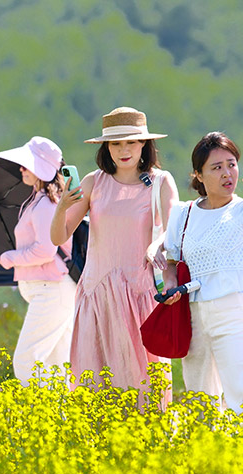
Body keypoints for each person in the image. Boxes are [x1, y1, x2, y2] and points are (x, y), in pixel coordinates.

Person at [50, 107, 179, 403]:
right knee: (94, 386)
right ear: (106, 147)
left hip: (141, 293)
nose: (124, 150)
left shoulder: (161, 182)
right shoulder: (94, 182)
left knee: (145, 387)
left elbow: (173, 233)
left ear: (144, 144)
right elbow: (58, 237)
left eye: (131, 142)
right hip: (97, 294)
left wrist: (155, 245)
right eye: (116, 143)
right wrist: (60, 207)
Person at [161, 131, 243, 414]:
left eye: (231, 164)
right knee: (199, 395)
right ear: (199, 175)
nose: (227, 173)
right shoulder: (183, 213)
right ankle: (208, 453)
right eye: (216, 168)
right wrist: (169, 285)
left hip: (234, 309)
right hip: (193, 312)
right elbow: (172, 260)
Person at [0, 136, 76, 385]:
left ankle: (38, 418)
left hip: (51, 290)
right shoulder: (40, 201)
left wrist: (10, 258)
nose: (21, 168)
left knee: (27, 360)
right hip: (51, 291)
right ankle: (58, 421)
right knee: (55, 366)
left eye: (26, 164)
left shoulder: (45, 204)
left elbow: (46, 250)